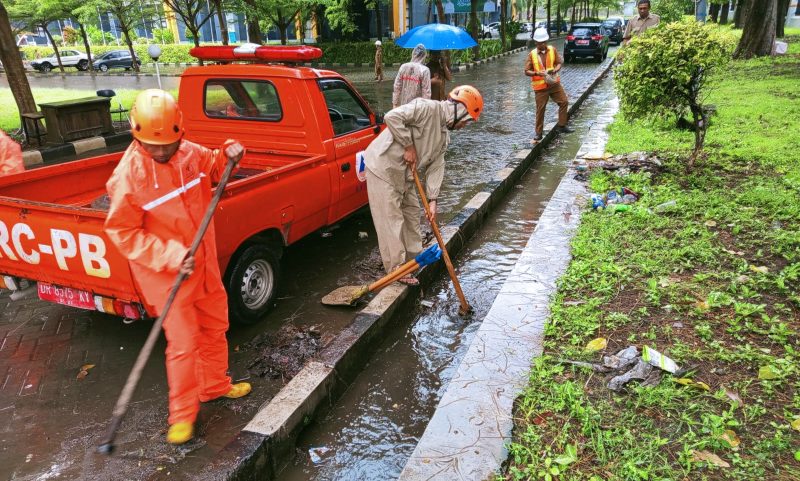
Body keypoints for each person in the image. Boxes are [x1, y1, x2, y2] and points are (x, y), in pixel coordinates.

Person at [104, 89, 251, 446]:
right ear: (135, 135)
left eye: (168, 144)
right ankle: (182, 416)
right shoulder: (129, 177)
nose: (160, 151)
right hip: (165, 272)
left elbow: (216, 167)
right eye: (152, 145)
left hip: (201, 260)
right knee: (184, 343)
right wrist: (170, 255)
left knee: (216, 322)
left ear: (180, 134)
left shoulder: (188, 153)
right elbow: (123, 233)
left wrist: (232, 152)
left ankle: (215, 385)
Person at [364, 86, 483, 284]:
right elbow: (392, 117)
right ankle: (396, 269)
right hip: (384, 167)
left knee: (411, 214)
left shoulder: (444, 136)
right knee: (391, 219)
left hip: (406, 175)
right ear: (458, 111)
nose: (464, 126)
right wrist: (408, 145)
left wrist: (433, 199)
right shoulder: (426, 108)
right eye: (465, 121)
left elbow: (437, 166)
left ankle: (413, 260)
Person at [525, 27, 573, 142]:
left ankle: (561, 126)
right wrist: (537, 73)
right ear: (536, 42)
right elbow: (526, 71)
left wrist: (555, 70)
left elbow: (559, 63)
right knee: (540, 109)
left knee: (564, 102)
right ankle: (538, 133)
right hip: (540, 88)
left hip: (554, 84)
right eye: (540, 43)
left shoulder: (552, 50)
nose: (542, 45)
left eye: (544, 42)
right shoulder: (532, 54)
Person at [392, 44, 431, 108]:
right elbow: (426, 92)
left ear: (413, 53)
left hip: (403, 106)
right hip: (417, 108)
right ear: (424, 55)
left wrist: (395, 104)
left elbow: (397, 87)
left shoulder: (403, 67)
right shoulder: (425, 70)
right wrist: (426, 108)